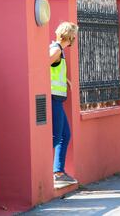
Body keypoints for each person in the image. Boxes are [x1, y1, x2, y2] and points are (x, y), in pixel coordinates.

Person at [49, 22, 78, 185]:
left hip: (58, 99)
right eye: (74, 35)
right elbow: (41, 65)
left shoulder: (58, 50)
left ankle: (58, 171)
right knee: (56, 137)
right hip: (53, 99)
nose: (75, 38)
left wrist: (65, 80)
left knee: (64, 135)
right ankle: (53, 171)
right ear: (70, 36)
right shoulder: (56, 50)